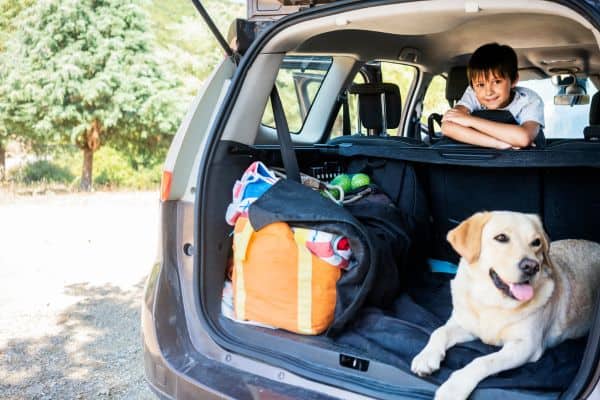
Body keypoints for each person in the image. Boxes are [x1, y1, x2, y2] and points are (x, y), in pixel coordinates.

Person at [442, 43, 544, 149]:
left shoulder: (528, 99)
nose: (488, 92)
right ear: (473, 86)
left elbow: (524, 138)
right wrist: (498, 144)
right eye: (481, 84)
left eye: (497, 82)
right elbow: (447, 126)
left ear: (514, 80)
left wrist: (469, 120)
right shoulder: (473, 92)